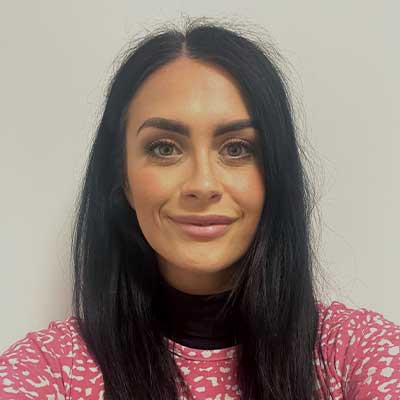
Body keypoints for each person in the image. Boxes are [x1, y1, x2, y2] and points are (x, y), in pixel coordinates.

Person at [1, 18, 399, 400]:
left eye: (237, 148)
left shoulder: (354, 352)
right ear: (122, 177)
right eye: (164, 148)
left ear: (274, 172)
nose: (203, 185)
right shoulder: (51, 368)